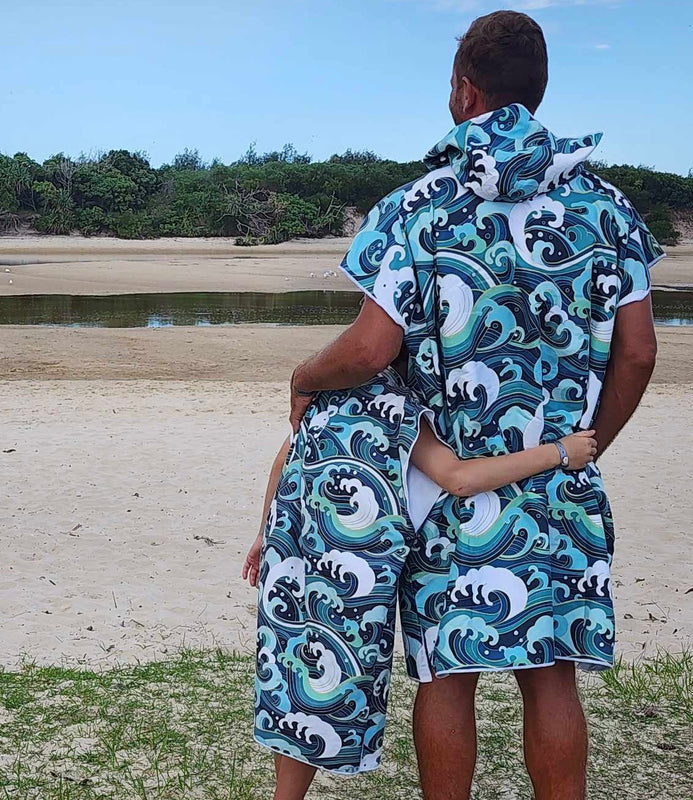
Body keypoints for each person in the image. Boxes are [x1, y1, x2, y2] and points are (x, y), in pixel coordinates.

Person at [280, 10, 662, 800]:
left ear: (463, 89)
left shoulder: (418, 204)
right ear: (540, 89)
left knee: (446, 675)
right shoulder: (609, 208)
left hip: (451, 486)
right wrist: (587, 442)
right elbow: (639, 352)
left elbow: (369, 349)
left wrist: (304, 376)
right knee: (552, 678)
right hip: (560, 475)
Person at [243, 362, 598, 798]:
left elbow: (287, 453)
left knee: (295, 682)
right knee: (332, 685)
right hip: (348, 578)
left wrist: (262, 535)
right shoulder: (397, 405)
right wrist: (560, 452)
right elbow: (459, 478)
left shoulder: (324, 394)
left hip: (293, 556)